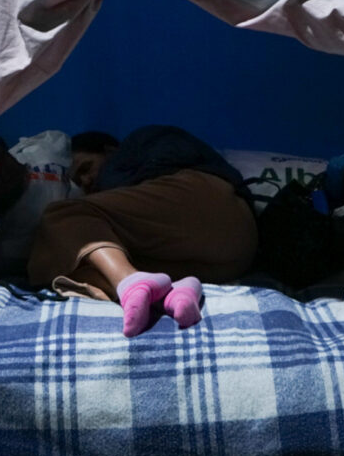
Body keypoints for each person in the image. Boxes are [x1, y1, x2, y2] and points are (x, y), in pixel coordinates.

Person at [27, 125, 258, 337]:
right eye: (79, 180)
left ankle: (129, 282)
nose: (86, 180)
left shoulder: (141, 142)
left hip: (211, 203)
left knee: (63, 214)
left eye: (87, 167)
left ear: (110, 151)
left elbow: (170, 157)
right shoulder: (136, 223)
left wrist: (103, 190)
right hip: (232, 257)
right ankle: (171, 292)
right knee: (60, 270)